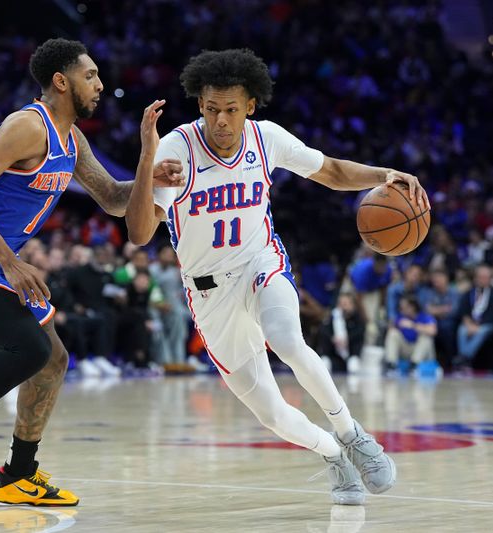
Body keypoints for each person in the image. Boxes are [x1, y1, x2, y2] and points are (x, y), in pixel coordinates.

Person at [125, 49, 429, 505]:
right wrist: (147, 164)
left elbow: (330, 170)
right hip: (209, 295)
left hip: (260, 263)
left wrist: (384, 174)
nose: (221, 121)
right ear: (200, 106)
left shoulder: (266, 138)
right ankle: (333, 455)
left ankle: (352, 433)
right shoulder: (176, 148)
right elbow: (139, 233)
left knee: (287, 340)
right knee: (272, 415)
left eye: (231, 109)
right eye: (211, 109)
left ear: (250, 105)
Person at [0, 38, 183, 507]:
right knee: (27, 347)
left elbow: (111, 197)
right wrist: (9, 259)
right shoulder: (29, 127)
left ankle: (17, 473)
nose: (101, 84)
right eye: (90, 75)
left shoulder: (73, 138)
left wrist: (150, 172)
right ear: (61, 81)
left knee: (52, 359)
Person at [456, 264, 493, 364]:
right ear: (475, 278)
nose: (482, 280)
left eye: (485, 277)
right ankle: (464, 357)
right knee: (462, 330)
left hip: (486, 324)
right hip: (470, 322)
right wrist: (468, 323)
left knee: (481, 332)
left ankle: (465, 357)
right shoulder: (468, 293)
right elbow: (463, 310)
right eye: (480, 277)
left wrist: (478, 325)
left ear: (490, 279)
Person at [384, 296, 438, 375]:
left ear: (412, 307)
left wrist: (413, 325)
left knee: (426, 337)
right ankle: (391, 365)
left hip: (421, 352)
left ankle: (414, 366)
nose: (401, 310)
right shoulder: (401, 317)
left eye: (404, 307)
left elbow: (433, 331)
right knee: (393, 333)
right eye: (401, 307)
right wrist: (394, 326)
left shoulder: (424, 317)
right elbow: (391, 328)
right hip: (406, 349)